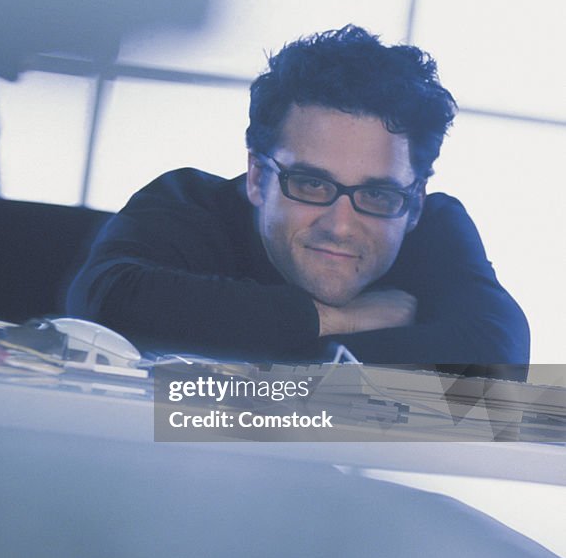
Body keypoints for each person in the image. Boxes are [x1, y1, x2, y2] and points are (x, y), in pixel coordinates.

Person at [67, 25, 529, 369]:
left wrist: (241, 346)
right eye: (311, 185)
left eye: (377, 193)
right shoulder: (188, 201)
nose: (340, 225)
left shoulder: (435, 227)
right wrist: (338, 321)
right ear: (256, 177)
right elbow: (104, 302)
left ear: (415, 202)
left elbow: (498, 363)